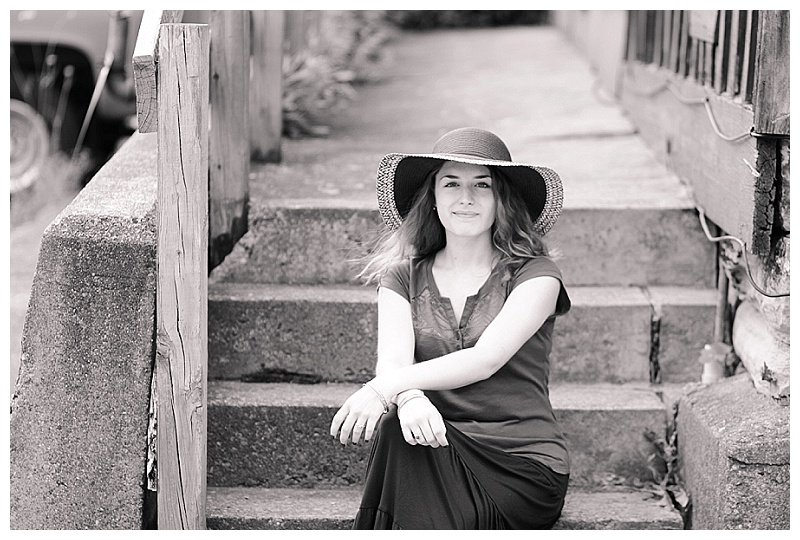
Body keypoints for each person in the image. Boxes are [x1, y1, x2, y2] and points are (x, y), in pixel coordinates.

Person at [330, 127, 571, 529]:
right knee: (396, 429)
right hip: (436, 444)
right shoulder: (402, 278)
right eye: (451, 183)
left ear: (501, 199)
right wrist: (409, 400)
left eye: (482, 185)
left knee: (400, 439)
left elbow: (484, 360)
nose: (466, 197)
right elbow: (393, 362)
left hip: (521, 465)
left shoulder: (536, 275)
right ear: (434, 197)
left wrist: (382, 390)